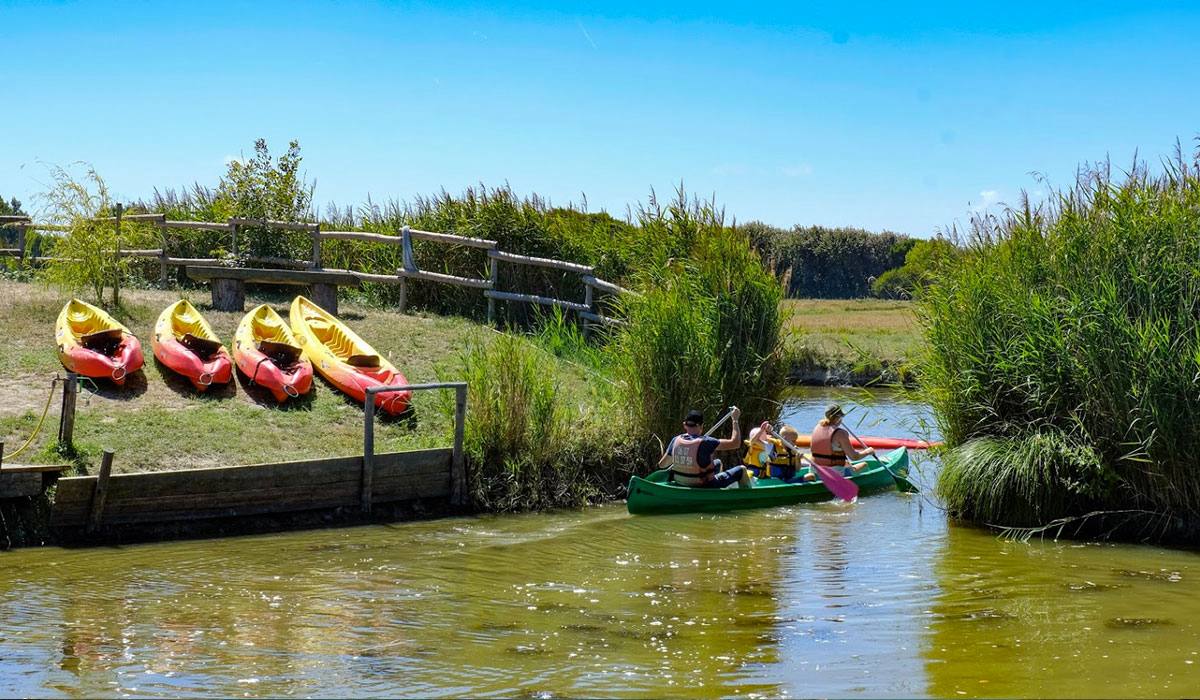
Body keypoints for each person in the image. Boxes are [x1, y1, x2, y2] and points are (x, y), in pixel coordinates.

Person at [658, 408, 752, 488]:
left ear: (685, 425)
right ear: (701, 426)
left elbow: (662, 465)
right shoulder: (706, 442)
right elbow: (735, 443)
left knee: (717, 463)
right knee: (742, 469)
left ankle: (717, 491)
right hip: (702, 485)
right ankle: (746, 499)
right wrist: (735, 420)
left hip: (681, 482)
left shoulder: (675, 440)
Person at [809, 404, 876, 476]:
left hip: (814, 471)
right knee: (864, 464)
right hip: (835, 474)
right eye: (841, 417)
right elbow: (854, 457)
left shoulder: (818, 427)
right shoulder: (840, 433)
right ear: (838, 418)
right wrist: (868, 452)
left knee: (847, 463)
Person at [744, 424, 816, 482]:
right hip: (776, 481)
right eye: (793, 441)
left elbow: (797, 470)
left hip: (789, 479)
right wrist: (762, 429)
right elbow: (754, 441)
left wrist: (797, 459)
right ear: (784, 439)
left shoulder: (793, 450)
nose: (795, 443)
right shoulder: (772, 447)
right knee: (811, 476)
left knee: (811, 475)